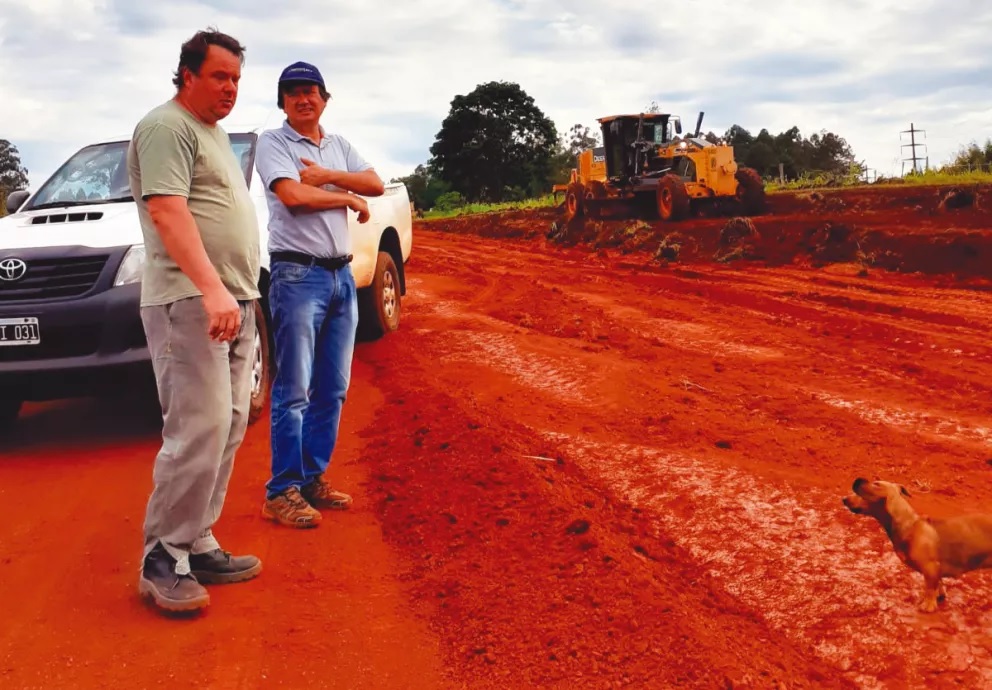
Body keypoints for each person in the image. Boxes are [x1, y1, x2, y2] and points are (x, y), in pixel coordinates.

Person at [127, 27, 263, 613]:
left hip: (233, 299)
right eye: (219, 76)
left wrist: (236, 293)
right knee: (197, 428)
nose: (230, 88)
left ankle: (196, 539)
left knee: (229, 424)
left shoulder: (215, 133)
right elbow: (167, 209)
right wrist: (211, 291)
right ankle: (162, 557)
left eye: (236, 78)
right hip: (190, 301)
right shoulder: (166, 126)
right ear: (188, 74)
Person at [253, 61, 384, 528]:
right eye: (291, 93)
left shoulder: (338, 146)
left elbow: (375, 183)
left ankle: (310, 478)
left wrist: (330, 175)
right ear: (282, 102)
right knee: (293, 389)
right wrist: (346, 198)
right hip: (297, 277)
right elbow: (293, 196)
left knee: (333, 387)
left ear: (324, 98)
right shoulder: (273, 143)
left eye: (309, 91)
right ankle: (281, 489)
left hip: (339, 278)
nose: (301, 98)